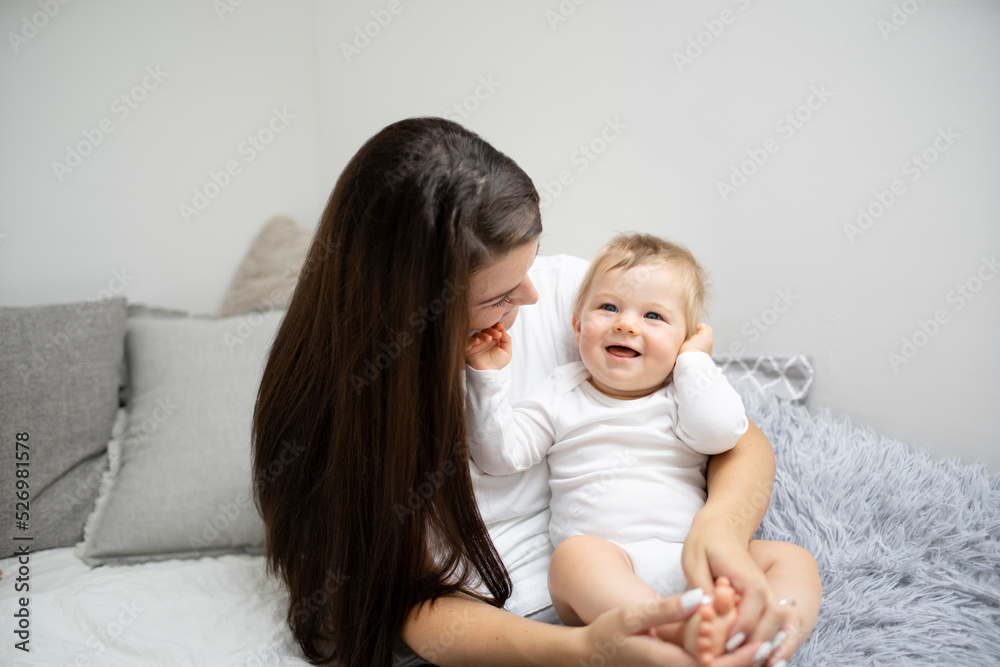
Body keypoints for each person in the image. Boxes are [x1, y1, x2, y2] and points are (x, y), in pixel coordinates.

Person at [251, 117, 798, 667]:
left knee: (792, 567)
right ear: (415, 315)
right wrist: (583, 649)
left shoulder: (584, 308)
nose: (534, 296)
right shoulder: (334, 424)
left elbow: (736, 440)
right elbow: (413, 611)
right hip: (541, 612)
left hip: (666, 556)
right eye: (500, 297)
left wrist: (721, 530)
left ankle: (763, 648)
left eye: (531, 265)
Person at [465, 232, 822, 665]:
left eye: (653, 316)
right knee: (573, 559)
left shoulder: (683, 394)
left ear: (685, 339)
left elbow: (723, 433)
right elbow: (502, 456)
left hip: (693, 555)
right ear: (578, 323)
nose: (626, 324)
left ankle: (769, 638)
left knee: (792, 559)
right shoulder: (561, 391)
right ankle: (684, 638)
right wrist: (487, 381)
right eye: (608, 308)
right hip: (609, 566)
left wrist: (694, 364)